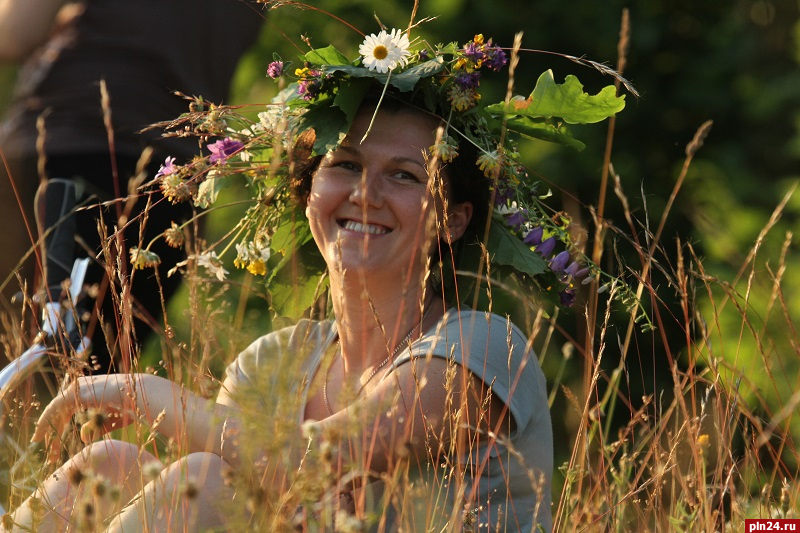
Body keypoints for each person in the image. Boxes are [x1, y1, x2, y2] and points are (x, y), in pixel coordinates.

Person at [3, 24, 627, 532]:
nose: (365, 193)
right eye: (345, 163)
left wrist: (147, 393)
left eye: (405, 175)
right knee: (109, 463)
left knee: (208, 479)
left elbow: (315, 459)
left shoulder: (482, 348)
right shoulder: (272, 361)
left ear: (453, 219)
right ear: (307, 193)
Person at [0, 0, 263, 363]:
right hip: (174, 185)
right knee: (87, 387)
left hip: (56, 147)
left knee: (21, 368)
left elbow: (12, 37)